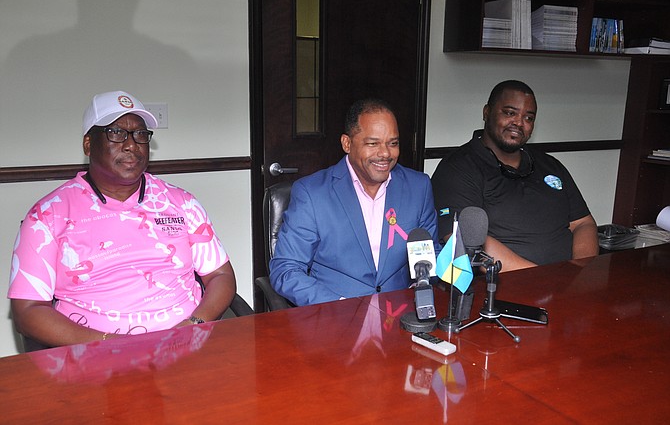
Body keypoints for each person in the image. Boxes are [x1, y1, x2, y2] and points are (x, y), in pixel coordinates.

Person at [8, 90, 237, 347]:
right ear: (88, 144)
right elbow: (28, 310)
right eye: (115, 133)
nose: (131, 145)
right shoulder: (47, 216)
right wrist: (110, 344)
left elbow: (220, 275)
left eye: (140, 134)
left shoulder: (181, 202)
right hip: (95, 358)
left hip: (186, 349)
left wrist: (194, 325)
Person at [270, 98, 439, 306]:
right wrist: (340, 306)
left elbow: (429, 254)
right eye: (373, 143)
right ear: (347, 144)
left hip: (400, 316)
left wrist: (422, 286)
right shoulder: (312, 194)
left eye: (392, 143)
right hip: (335, 319)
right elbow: (286, 270)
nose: (385, 153)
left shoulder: (418, 187)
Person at [431, 80, 598, 271]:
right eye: (510, 113)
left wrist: (581, 272)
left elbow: (583, 223)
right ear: (486, 112)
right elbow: (463, 240)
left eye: (528, 118)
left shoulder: (550, 164)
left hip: (568, 285)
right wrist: (544, 279)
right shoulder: (459, 167)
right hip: (506, 288)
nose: (519, 123)